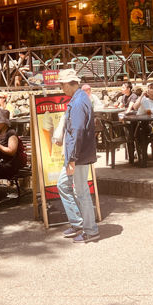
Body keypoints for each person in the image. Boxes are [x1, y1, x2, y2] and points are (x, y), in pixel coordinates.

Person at [56, 68, 99, 243]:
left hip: (78, 155)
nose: (61, 88)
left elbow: (77, 132)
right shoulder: (80, 98)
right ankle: (78, 222)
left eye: (61, 85)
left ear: (67, 84)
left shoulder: (78, 101)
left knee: (81, 192)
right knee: (63, 185)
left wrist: (72, 158)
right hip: (78, 154)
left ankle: (91, 230)